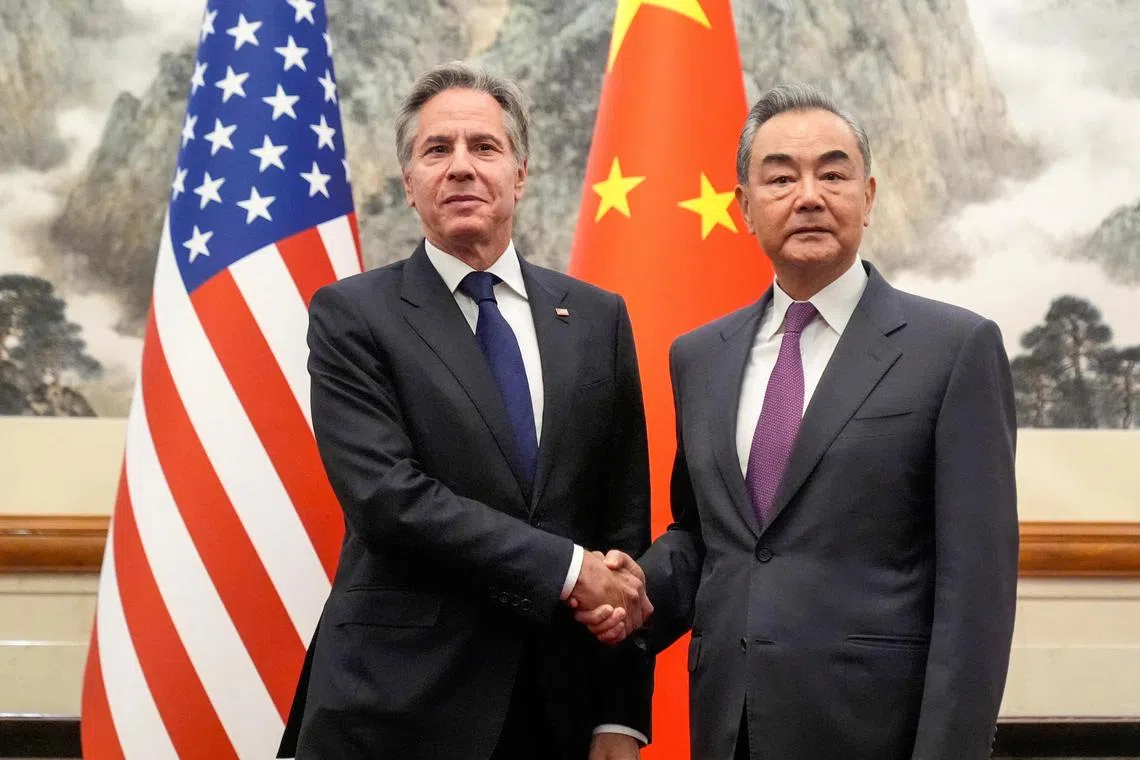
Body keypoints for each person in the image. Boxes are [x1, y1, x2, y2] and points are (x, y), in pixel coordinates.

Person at [581, 83, 1019, 759]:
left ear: (868, 196)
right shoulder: (701, 357)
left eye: (833, 174)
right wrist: (634, 586)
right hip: (730, 727)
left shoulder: (953, 350)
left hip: (876, 733)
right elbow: (709, 537)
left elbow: (977, 593)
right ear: (746, 209)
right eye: (780, 177)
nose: (809, 195)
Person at [278, 62, 654, 760]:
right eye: (436, 150)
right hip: (395, 711)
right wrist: (569, 569)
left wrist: (619, 713)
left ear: (520, 173)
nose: (460, 168)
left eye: (483, 147)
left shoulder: (597, 318)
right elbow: (387, 500)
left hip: (557, 711)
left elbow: (621, 523)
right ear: (409, 183)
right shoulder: (353, 316)